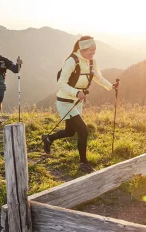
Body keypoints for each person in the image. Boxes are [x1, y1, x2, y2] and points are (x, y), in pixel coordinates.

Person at [42, 36, 118, 173]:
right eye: (91, 50)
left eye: (95, 50)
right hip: (65, 102)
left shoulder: (92, 62)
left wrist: (111, 86)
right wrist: (76, 93)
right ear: (82, 49)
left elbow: (98, 77)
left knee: (70, 132)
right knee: (83, 130)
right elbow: (61, 83)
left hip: (77, 102)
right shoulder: (72, 61)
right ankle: (83, 163)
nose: (93, 53)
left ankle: (48, 138)